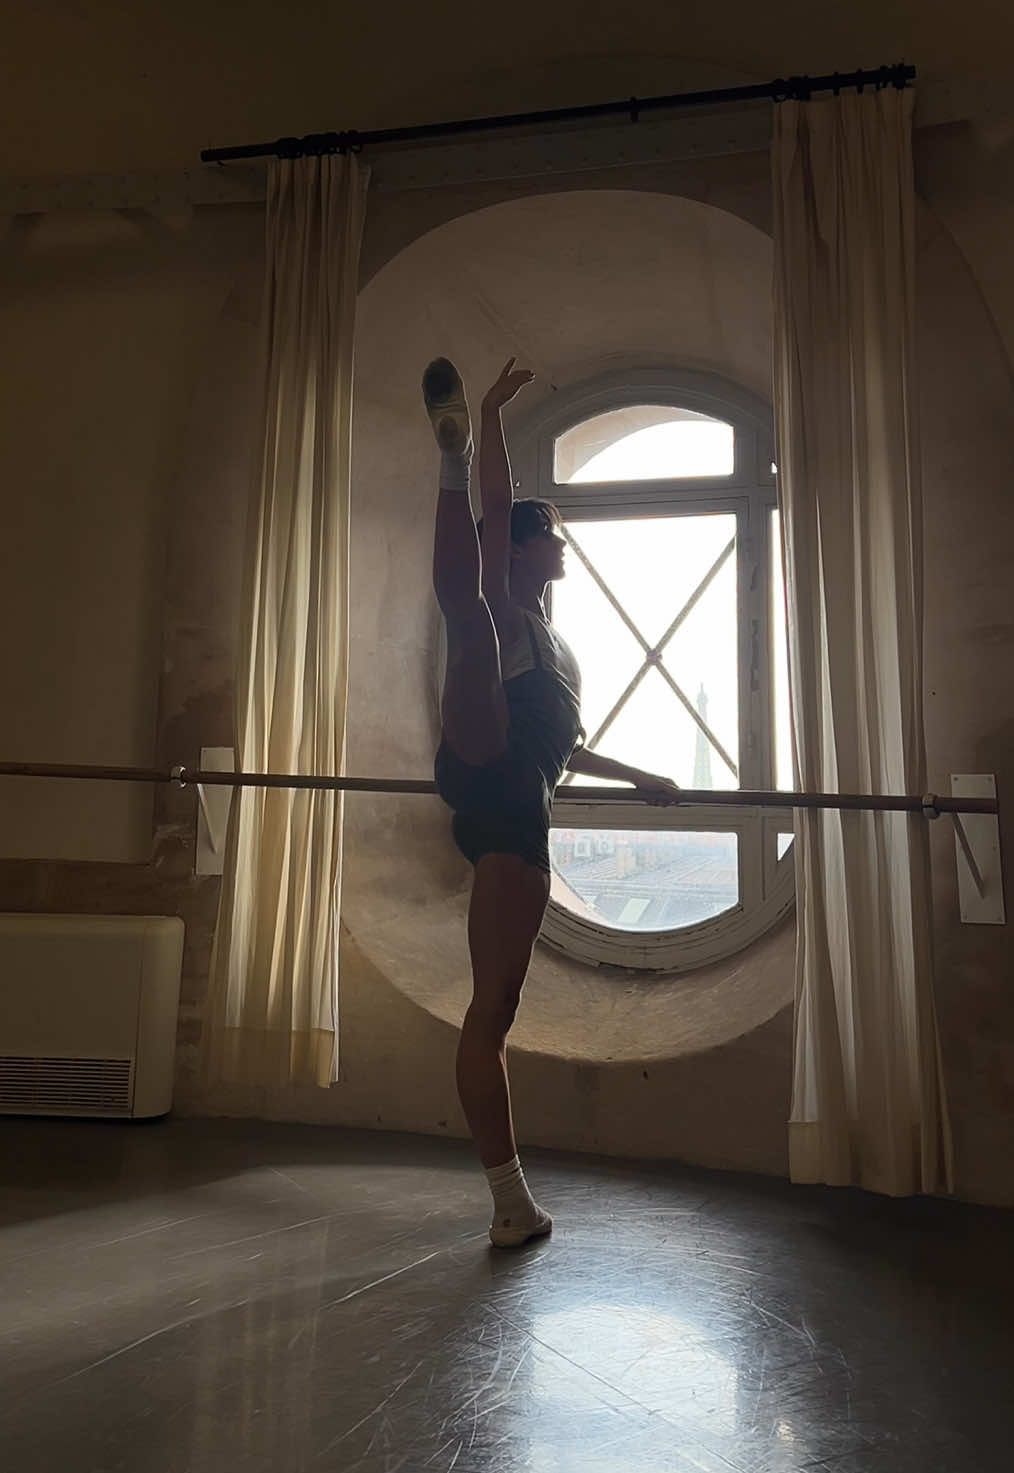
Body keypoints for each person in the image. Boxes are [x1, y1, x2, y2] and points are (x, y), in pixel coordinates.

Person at [423, 355, 681, 1248]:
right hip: (499, 776)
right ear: (523, 547)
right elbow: (500, 512)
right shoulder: (515, 603)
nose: (563, 546)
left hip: (496, 774)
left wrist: (639, 776)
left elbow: (565, 748)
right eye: (553, 536)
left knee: (470, 624)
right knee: (472, 617)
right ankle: (510, 1203)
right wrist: (493, 414)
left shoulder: (550, 638)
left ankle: (511, 1202)